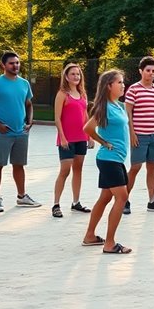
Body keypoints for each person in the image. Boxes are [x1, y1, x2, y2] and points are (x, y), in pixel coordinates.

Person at [0, 51, 40, 213]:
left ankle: (22, 196)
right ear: (3, 65)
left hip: (21, 132)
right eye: (12, 63)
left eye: (17, 63)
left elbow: (28, 104)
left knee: (19, 165)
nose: (15, 66)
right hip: (2, 133)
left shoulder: (24, 83)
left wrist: (29, 121)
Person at [82, 70, 133, 254]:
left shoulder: (118, 106)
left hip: (116, 159)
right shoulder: (103, 107)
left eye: (122, 82)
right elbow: (87, 128)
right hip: (108, 159)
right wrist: (103, 142)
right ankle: (109, 243)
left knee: (105, 197)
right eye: (119, 82)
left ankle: (90, 236)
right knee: (122, 197)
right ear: (109, 86)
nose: (123, 85)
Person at [125, 56, 154, 214]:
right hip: (139, 135)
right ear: (141, 71)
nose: (151, 73)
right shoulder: (133, 89)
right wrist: (132, 133)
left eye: (153, 71)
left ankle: (152, 201)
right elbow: (128, 113)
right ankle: (124, 200)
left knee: (152, 167)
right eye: (148, 70)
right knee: (135, 167)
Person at [52, 62, 93, 218]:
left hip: (81, 137)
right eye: (72, 74)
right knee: (65, 170)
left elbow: (85, 116)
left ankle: (76, 202)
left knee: (78, 169)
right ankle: (56, 204)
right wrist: (62, 137)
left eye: (78, 74)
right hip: (67, 139)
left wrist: (90, 135)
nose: (76, 76)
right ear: (66, 77)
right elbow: (57, 118)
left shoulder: (82, 94)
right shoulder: (62, 93)